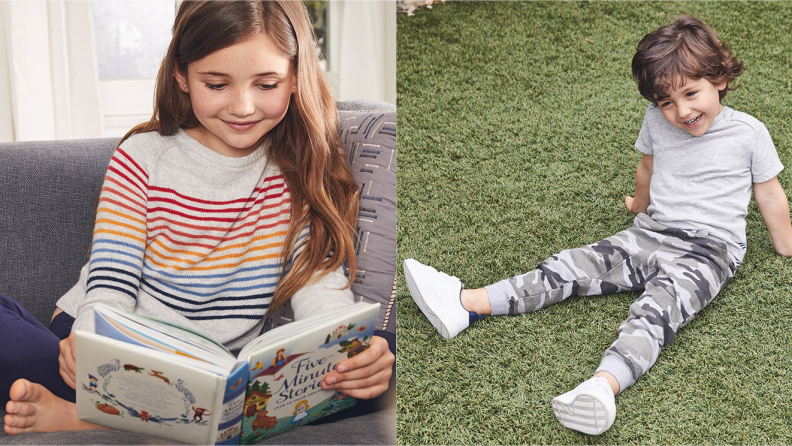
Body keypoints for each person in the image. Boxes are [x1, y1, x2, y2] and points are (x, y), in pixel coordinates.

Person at [2, 0, 394, 435]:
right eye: (216, 83)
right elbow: (110, 281)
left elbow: (317, 286)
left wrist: (348, 350)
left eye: (266, 84)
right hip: (106, 340)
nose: (243, 106)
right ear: (181, 75)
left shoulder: (299, 171)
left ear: (296, 77)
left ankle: (102, 420)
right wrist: (94, 344)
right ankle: (106, 411)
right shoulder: (142, 158)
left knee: (383, 357)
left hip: (213, 374)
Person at [404, 15, 792, 436]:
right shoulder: (657, 121)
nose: (681, 112)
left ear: (719, 78)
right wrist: (639, 205)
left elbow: (769, 194)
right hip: (652, 231)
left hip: (710, 250)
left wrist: (785, 244)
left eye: (691, 94)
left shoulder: (749, 133)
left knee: (657, 312)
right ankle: (467, 304)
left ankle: (602, 387)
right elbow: (648, 167)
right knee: (574, 265)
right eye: (666, 101)